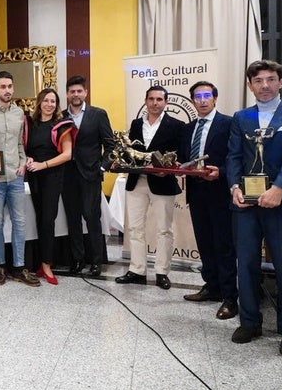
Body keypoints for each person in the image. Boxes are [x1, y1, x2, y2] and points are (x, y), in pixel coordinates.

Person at [227, 60, 282, 358]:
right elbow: (234, 157)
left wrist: (278, 189)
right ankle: (250, 322)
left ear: (281, 82)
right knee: (246, 263)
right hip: (247, 204)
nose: (264, 85)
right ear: (250, 85)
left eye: (270, 79)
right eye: (258, 80)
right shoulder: (241, 117)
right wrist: (234, 187)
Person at [115, 86, 184, 290]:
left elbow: (180, 154)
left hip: (163, 182)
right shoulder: (136, 124)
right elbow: (130, 152)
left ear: (166, 102)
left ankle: (162, 272)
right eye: (151, 99)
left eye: (159, 99)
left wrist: (169, 170)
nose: (155, 103)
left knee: (164, 230)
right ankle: (137, 270)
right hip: (137, 181)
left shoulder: (176, 125)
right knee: (135, 229)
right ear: (145, 101)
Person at [180, 81, 237, 320]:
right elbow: (184, 159)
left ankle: (229, 298)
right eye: (197, 97)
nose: (202, 100)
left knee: (223, 245)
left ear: (215, 98)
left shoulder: (228, 123)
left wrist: (221, 172)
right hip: (196, 191)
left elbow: (236, 158)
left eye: (206, 96)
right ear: (192, 100)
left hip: (220, 192)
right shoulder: (189, 127)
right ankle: (211, 286)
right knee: (204, 243)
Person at [0, 71, 39, 287]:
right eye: (3, 87)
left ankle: (19, 267)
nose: (7, 90)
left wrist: (23, 162)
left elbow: (19, 143)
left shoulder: (19, 113)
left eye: (10, 86)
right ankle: (0, 266)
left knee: (20, 222)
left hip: (16, 176)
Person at [61, 75, 114, 277]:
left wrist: (102, 167)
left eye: (79, 91)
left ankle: (96, 261)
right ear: (67, 94)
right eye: (72, 91)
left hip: (91, 174)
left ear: (85, 93)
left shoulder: (98, 114)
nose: (75, 94)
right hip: (67, 176)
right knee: (73, 219)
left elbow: (110, 145)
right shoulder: (60, 116)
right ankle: (77, 260)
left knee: (92, 218)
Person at [24, 88, 75, 285]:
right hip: (35, 176)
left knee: (48, 220)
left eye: (53, 101)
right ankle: (41, 262)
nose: (49, 104)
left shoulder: (61, 125)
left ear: (57, 104)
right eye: (46, 100)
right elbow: (27, 149)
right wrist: (29, 159)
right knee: (39, 220)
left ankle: (47, 264)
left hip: (52, 177)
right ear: (39, 102)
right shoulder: (31, 124)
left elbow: (67, 154)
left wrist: (42, 165)